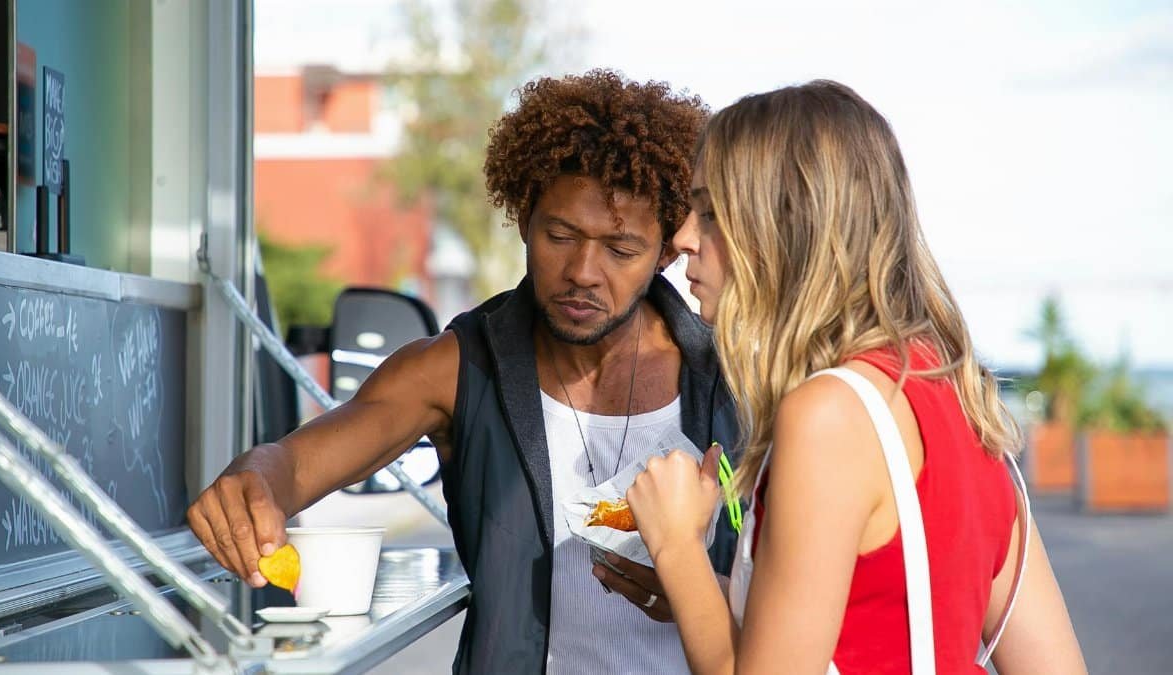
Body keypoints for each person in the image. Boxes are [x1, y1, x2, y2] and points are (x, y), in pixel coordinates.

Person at [186, 69, 740, 674]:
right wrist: (253, 481)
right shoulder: (456, 365)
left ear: (666, 251)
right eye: (560, 235)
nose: (583, 270)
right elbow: (293, 463)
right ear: (523, 218)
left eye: (621, 249)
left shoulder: (732, 379)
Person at [623, 81, 1086, 674]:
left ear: (789, 229)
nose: (684, 236)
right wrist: (713, 597)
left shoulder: (829, 415)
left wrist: (678, 547)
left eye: (711, 212)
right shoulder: (955, 392)